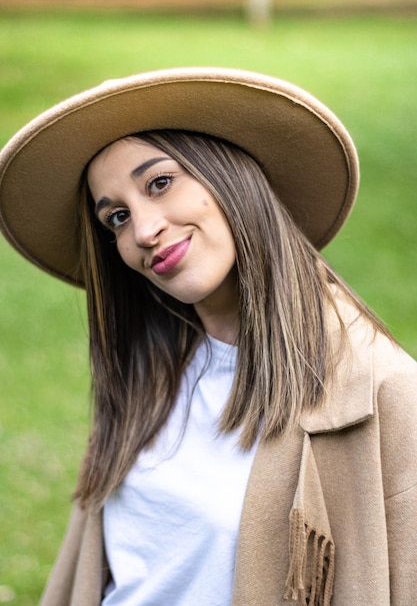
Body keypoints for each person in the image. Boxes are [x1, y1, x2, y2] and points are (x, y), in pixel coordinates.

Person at [0, 67, 416, 606]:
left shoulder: (382, 393)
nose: (143, 231)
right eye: (118, 217)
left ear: (230, 178)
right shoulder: (147, 372)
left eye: (160, 182)